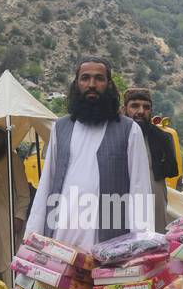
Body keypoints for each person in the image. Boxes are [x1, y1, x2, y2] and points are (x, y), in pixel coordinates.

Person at [24, 57, 154, 248]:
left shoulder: (129, 130)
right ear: (76, 84)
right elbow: (46, 185)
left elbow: (139, 189)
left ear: (109, 85)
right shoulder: (60, 128)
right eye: (85, 78)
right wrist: (32, 238)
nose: (92, 84)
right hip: (61, 239)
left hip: (110, 243)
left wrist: (141, 247)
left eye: (99, 78)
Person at [122, 88, 178, 232]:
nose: (141, 111)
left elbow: (170, 170)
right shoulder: (114, 137)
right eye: (135, 106)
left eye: (146, 107)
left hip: (155, 205)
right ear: (124, 109)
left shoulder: (162, 137)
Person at [0, 125, 31, 278]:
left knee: (10, 259)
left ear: (5, 139)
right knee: (1, 259)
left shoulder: (13, 160)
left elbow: (24, 193)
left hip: (10, 220)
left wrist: (19, 217)